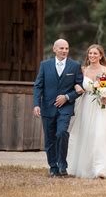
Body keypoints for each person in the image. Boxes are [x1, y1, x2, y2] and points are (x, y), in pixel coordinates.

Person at [67, 44, 106, 178]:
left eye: (95, 54)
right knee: (86, 134)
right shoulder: (83, 70)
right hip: (86, 104)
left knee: (100, 134)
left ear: (101, 56)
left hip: (102, 106)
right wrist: (77, 86)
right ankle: (85, 167)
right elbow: (75, 83)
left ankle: (101, 168)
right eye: (90, 53)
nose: (92, 56)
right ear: (88, 55)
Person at [33, 39, 83, 177]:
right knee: (49, 139)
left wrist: (67, 97)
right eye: (61, 48)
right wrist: (36, 104)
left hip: (65, 108)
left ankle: (62, 165)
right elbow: (38, 86)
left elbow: (79, 89)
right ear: (54, 49)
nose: (64, 51)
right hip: (48, 107)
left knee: (61, 133)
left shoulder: (75, 66)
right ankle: (53, 167)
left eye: (66, 48)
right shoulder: (45, 65)